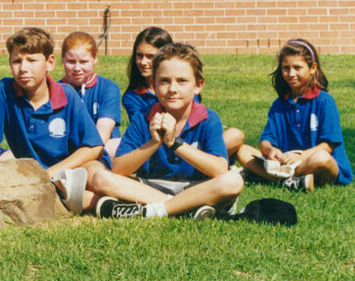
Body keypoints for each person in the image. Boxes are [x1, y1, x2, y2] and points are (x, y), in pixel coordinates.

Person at [91, 43, 244, 219]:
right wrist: (154, 143)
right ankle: (184, 207)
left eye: (182, 81)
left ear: (198, 85)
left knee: (233, 180)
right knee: (101, 178)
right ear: (153, 85)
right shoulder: (144, 116)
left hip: (198, 187)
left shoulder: (208, 118)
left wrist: (174, 143)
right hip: (152, 188)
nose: (172, 89)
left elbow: (219, 169)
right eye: (164, 81)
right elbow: (118, 169)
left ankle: (159, 210)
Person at [0, 27, 104, 214]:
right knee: (78, 198)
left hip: (73, 169)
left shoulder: (67, 94)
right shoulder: (5, 90)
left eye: (32, 60)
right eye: (17, 61)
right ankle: (126, 208)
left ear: (50, 62)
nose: (23, 68)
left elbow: (94, 146)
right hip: (37, 178)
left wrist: (50, 173)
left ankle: (157, 200)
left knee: (99, 178)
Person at [237, 39, 351, 190]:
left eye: (297, 67)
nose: (291, 74)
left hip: (317, 164)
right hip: (286, 164)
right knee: (242, 150)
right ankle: (293, 182)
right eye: (286, 68)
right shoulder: (279, 104)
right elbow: (266, 141)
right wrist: (271, 151)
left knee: (321, 158)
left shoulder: (324, 101)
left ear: (312, 68)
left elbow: (328, 146)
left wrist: (302, 156)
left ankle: (277, 178)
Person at [60, 31, 122, 159]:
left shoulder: (108, 88)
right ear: (63, 60)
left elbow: (102, 135)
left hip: (100, 150)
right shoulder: (56, 90)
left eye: (83, 62)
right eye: (71, 61)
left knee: (117, 145)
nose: (77, 68)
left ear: (95, 59)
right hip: (67, 150)